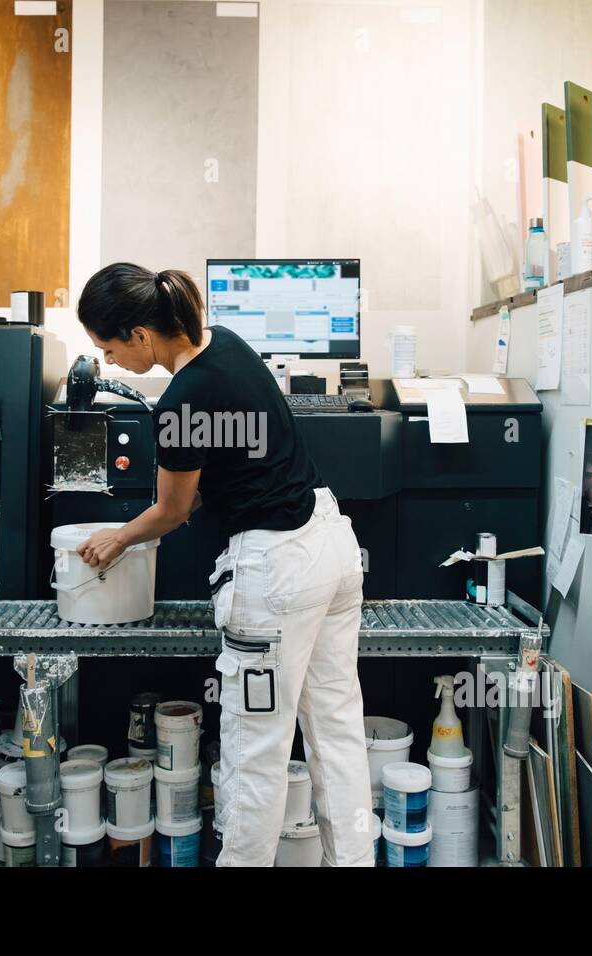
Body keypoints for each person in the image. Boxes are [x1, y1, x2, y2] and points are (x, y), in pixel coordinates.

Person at [74, 262, 372, 866]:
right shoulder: (229, 346)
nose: (108, 362)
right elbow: (228, 466)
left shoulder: (180, 402)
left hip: (278, 574)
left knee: (253, 756)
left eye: (107, 348)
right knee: (337, 734)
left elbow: (173, 510)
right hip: (331, 544)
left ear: (139, 334)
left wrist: (117, 538)